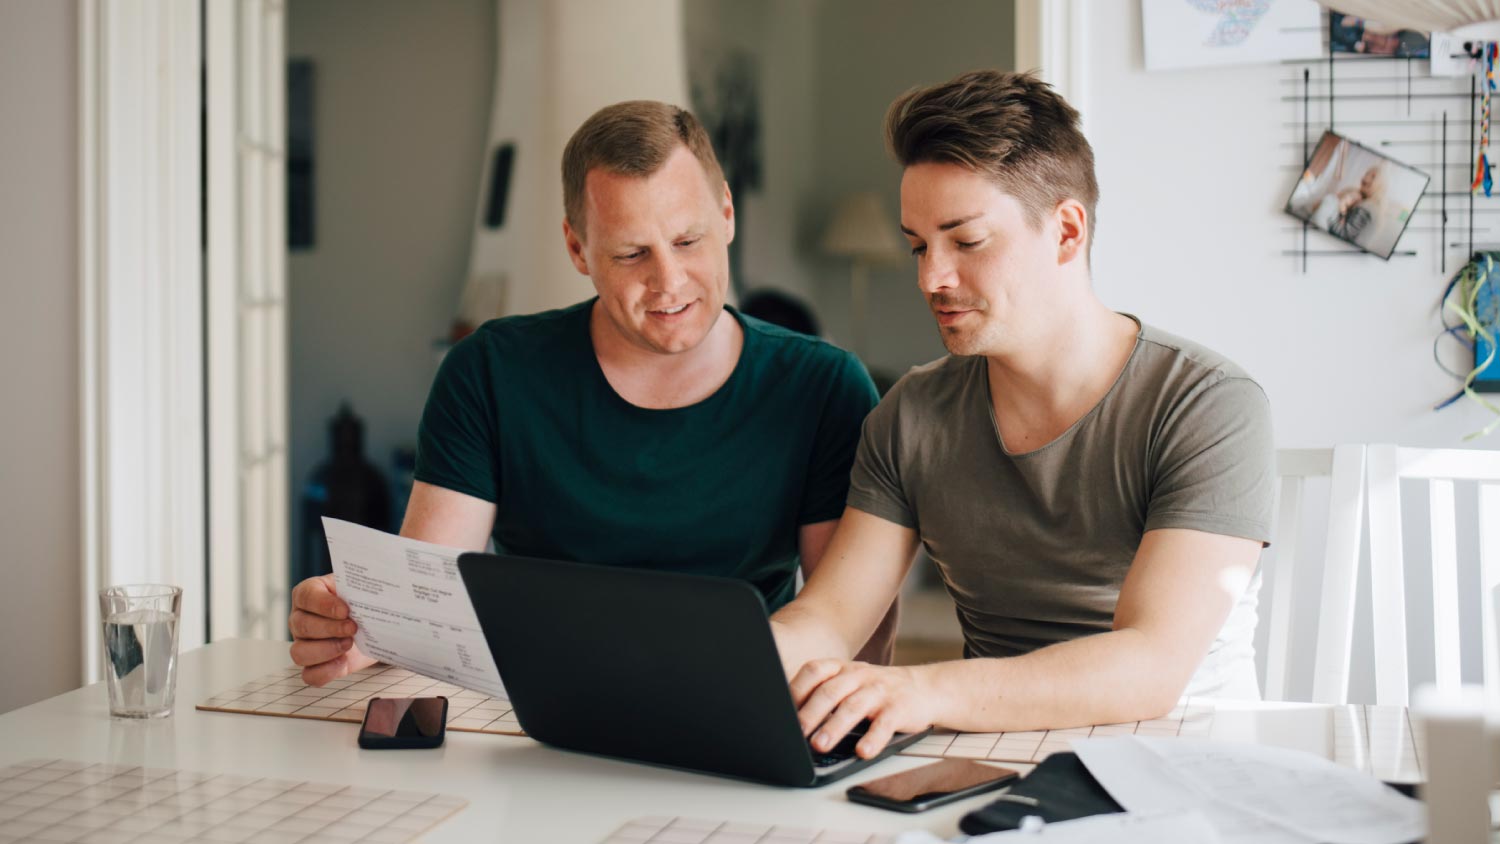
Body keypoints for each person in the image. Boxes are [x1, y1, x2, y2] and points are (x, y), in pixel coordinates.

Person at [288, 100, 895, 685]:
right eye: (632, 254)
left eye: (689, 241)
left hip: (739, 697)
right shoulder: (491, 372)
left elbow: (850, 637)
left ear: (728, 214)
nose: (669, 282)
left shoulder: (824, 388)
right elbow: (424, 604)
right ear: (578, 248)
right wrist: (353, 625)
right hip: (535, 711)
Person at [769, 70, 1275, 760]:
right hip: (991, 758)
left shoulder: (1207, 404)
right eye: (918, 245)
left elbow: (1151, 667)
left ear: (1066, 231)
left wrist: (922, 690)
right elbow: (830, 618)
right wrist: (713, 669)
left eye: (966, 242)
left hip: (1189, 757)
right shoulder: (910, 416)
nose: (930, 279)